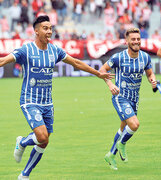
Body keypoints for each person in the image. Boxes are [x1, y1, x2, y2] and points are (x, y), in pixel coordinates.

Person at [0, 15, 113, 180]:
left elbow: (76, 63)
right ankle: (22, 142)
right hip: (30, 101)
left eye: (50, 28)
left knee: (44, 142)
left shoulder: (55, 50)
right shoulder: (26, 50)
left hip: (48, 103)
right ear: (36, 31)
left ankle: (24, 175)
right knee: (42, 136)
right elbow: (3, 60)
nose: (49, 31)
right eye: (45, 28)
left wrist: (98, 73)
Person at [100, 28, 157, 170]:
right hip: (120, 97)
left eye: (138, 39)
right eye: (133, 39)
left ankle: (111, 155)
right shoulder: (118, 57)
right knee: (134, 125)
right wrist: (110, 84)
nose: (136, 41)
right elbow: (102, 70)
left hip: (134, 99)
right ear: (127, 42)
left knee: (123, 128)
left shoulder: (145, 57)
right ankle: (122, 144)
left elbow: (150, 73)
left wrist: (152, 80)